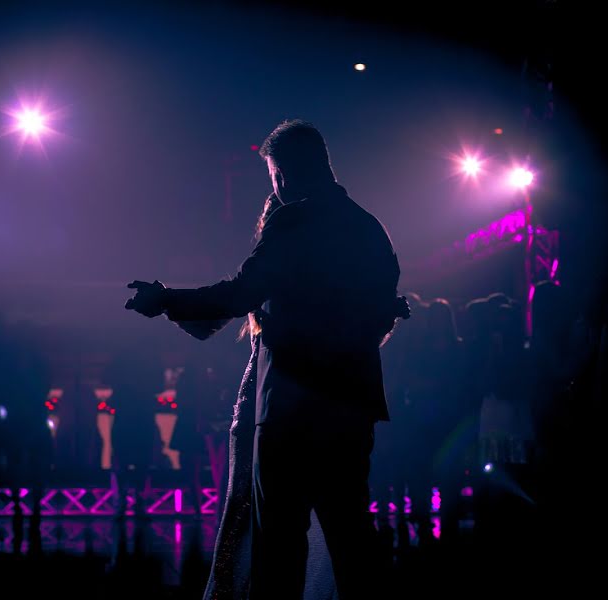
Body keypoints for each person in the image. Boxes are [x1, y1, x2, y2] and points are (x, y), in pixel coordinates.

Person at [126, 120, 410, 597]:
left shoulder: (293, 220)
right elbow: (382, 315)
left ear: (283, 171)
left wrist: (167, 299)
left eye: (274, 175)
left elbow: (241, 293)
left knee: (278, 546)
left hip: (291, 410)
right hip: (352, 406)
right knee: (352, 540)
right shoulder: (369, 227)